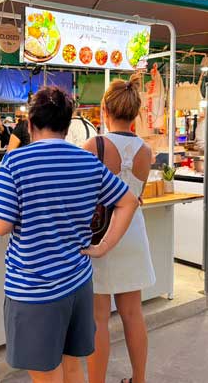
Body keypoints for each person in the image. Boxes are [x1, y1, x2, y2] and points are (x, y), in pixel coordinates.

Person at [0, 86, 139, 383]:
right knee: (72, 367)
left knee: (46, 374)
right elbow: (129, 201)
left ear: (30, 124)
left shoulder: (15, 162)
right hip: (78, 283)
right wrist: (103, 247)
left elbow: (1, 225)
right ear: (67, 126)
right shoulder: (87, 161)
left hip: (34, 288)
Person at [83, 75, 156, 383]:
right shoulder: (146, 151)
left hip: (101, 235)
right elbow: (135, 197)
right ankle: (139, 379)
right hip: (133, 233)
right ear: (135, 112)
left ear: (105, 109)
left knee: (98, 318)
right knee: (133, 313)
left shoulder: (94, 145)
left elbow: (83, 195)